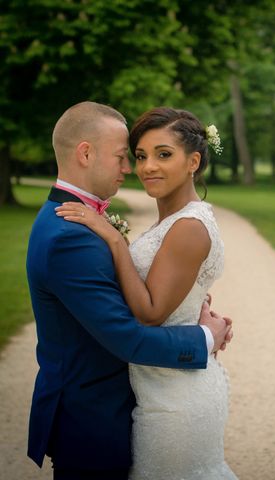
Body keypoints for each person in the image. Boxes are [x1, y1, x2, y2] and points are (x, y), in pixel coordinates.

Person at [26, 101, 233, 480]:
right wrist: (205, 336)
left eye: (162, 154)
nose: (134, 169)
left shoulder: (79, 223)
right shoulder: (69, 235)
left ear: (194, 161)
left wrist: (190, 302)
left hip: (153, 402)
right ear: (86, 153)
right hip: (93, 415)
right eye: (131, 156)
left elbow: (141, 303)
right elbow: (129, 334)